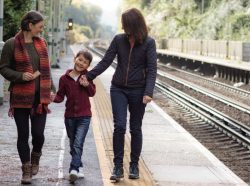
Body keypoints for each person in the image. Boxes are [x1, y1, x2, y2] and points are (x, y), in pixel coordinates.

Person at [80, 8, 157, 181]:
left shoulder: (149, 43)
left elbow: (152, 70)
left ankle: (134, 165)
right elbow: (106, 61)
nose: (123, 27)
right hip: (118, 89)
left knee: (135, 128)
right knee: (119, 126)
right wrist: (88, 76)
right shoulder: (118, 40)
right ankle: (117, 167)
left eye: (126, 23)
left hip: (139, 90)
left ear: (134, 24)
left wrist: (148, 92)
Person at [0, 11, 53, 184]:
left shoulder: (42, 43)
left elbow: (46, 70)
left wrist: (51, 89)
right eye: (40, 26)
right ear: (30, 25)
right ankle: (26, 169)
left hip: (40, 98)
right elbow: (3, 68)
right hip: (20, 98)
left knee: (39, 135)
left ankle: (35, 157)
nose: (41, 29)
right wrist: (20, 76)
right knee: (23, 135)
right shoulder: (11, 44)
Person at [51, 50, 95, 183]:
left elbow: (92, 92)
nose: (81, 63)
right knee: (73, 145)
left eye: (85, 62)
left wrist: (87, 85)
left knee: (78, 144)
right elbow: (60, 96)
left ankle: (73, 169)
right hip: (69, 117)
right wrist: (52, 98)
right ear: (75, 59)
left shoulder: (88, 76)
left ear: (88, 66)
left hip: (84, 116)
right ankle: (79, 166)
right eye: (80, 60)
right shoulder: (64, 78)